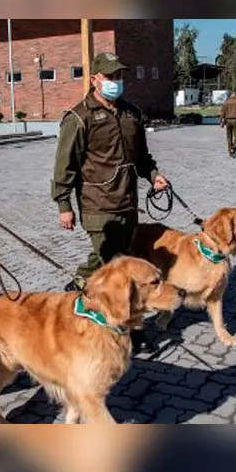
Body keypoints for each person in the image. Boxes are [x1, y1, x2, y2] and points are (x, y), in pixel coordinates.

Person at [51, 52, 169, 352]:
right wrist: (63, 204)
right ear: (94, 80)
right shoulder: (78, 117)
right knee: (118, 268)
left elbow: (142, 157)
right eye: (109, 76)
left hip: (127, 202)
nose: (115, 82)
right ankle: (128, 327)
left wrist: (154, 175)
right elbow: (65, 166)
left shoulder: (131, 114)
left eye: (119, 76)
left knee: (115, 259)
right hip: (97, 204)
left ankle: (81, 284)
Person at [220, 90, 236, 158]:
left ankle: (230, 151)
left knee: (229, 136)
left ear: (230, 95)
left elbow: (222, 112)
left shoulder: (226, 102)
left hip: (228, 121)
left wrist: (221, 121)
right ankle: (233, 147)